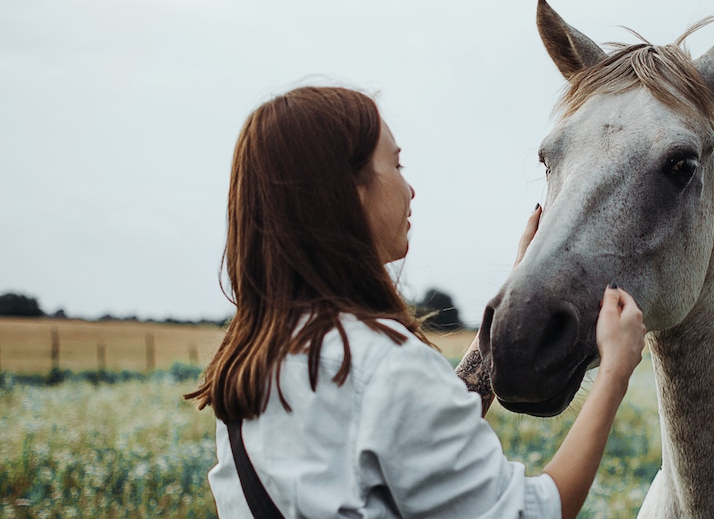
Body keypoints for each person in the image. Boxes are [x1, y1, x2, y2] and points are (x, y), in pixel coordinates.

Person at [185, 86, 647, 519]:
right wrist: (614, 372)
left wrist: (512, 284)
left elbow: (411, 430)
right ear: (349, 192)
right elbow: (537, 511)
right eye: (397, 165)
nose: (410, 190)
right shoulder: (383, 367)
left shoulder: (255, 366)